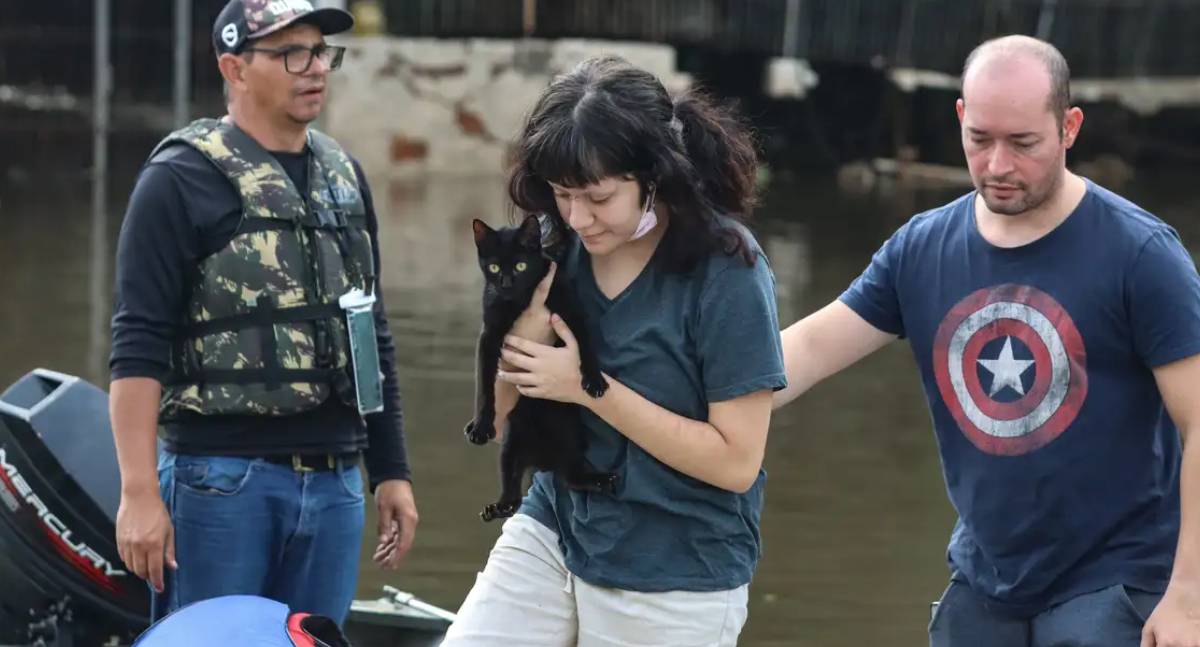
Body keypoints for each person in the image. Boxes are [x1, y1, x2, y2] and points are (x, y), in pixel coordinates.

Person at [774, 35, 1200, 646]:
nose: (998, 165)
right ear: (960, 118)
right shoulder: (920, 249)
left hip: (1118, 577)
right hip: (987, 576)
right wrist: (679, 397)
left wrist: (1188, 595)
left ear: (1069, 127)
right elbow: (807, 352)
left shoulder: (1142, 255)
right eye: (980, 139)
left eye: (1023, 143)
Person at [439, 55, 787, 646]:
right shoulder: (550, 246)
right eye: (561, 195)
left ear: (654, 176)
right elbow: (499, 422)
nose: (577, 218)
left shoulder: (727, 270)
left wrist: (586, 389)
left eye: (598, 197)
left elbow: (735, 463)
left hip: (675, 565)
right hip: (556, 526)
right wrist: (523, 332)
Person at [108, 0, 417, 626]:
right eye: (291, 54)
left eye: (322, 52)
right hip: (219, 484)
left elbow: (370, 332)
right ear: (235, 68)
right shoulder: (178, 179)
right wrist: (139, 493)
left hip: (335, 486)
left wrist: (391, 471)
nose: (316, 69)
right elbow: (137, 342)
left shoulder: (344, 178)